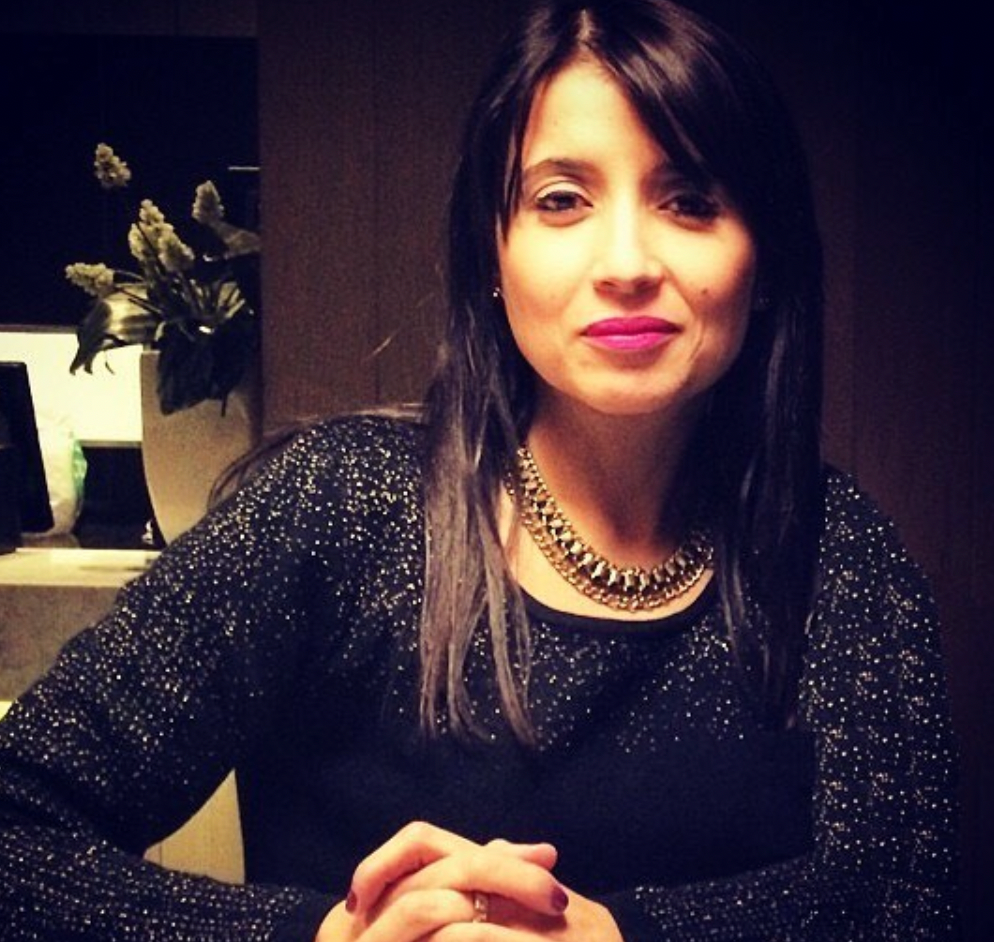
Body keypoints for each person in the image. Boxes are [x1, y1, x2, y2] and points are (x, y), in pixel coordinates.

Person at [0, 0, 961, 939]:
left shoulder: (836, 549)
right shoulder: (333, 505)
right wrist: (328, 936)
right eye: (561, 200)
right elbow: (18, 831)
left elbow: (909, 899)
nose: (627, 262)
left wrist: (618, 935)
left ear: (767, 257)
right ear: (492, 252)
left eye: (690, 201)